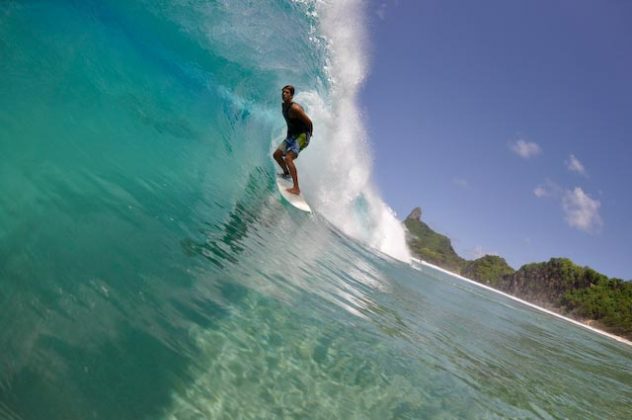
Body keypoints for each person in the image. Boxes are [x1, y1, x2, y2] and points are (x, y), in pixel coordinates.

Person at [273, 85, 313, 195]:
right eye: (283, 92)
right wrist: (288, 135)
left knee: (288, 158)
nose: (284, 94)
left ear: (291, 96)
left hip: (302, 136)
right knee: (276, 155)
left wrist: (309, 135)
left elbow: (309, 122)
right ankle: (286, 173)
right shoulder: (283, 107)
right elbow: (290, 123)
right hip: (291, 136)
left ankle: (296, 188)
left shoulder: (295, 108)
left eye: (286, 92)